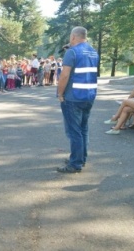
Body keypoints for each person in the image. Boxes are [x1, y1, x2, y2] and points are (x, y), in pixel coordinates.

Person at [57, 26, 99, 173]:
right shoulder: (93, 51)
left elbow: (64, 75)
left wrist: (60, 93)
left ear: (73, 36)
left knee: (74, 132)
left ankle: (75, 164)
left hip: (73, 97)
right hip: (89, 95)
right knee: (83, 130)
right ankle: (81, 158)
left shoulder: (72, 52)